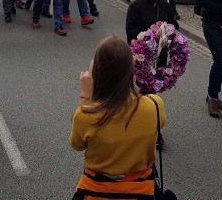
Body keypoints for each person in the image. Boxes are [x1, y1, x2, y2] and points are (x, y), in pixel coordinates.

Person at [69, 36, 165, 200]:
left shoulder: (86, 115)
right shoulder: (155, 106)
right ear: (130, 70)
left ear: (97, 73)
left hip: (95, 192)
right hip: (141, 191)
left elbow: (77, 144)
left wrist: (85, 94)